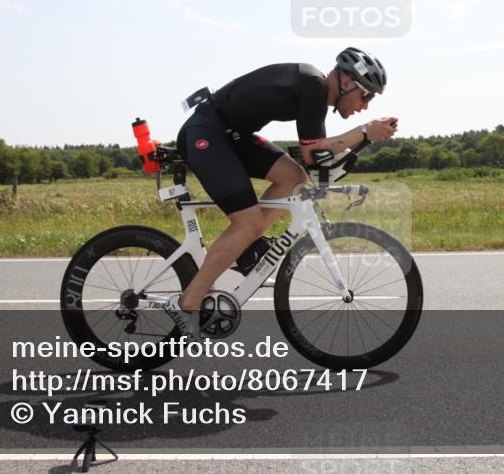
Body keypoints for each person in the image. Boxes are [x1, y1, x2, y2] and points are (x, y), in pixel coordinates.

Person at [164, 47, 397, 338]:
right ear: (347, 82)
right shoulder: (313, 86)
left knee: (293, 178)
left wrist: (362, 138)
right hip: (207, 132)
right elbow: (314, 152)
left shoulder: (314, 94)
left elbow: (312, 160)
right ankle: (188, 303)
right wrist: (363, 131)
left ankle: (247, 248)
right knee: (246, 223)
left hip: (231, 135)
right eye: (367, 95)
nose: (365, 105)